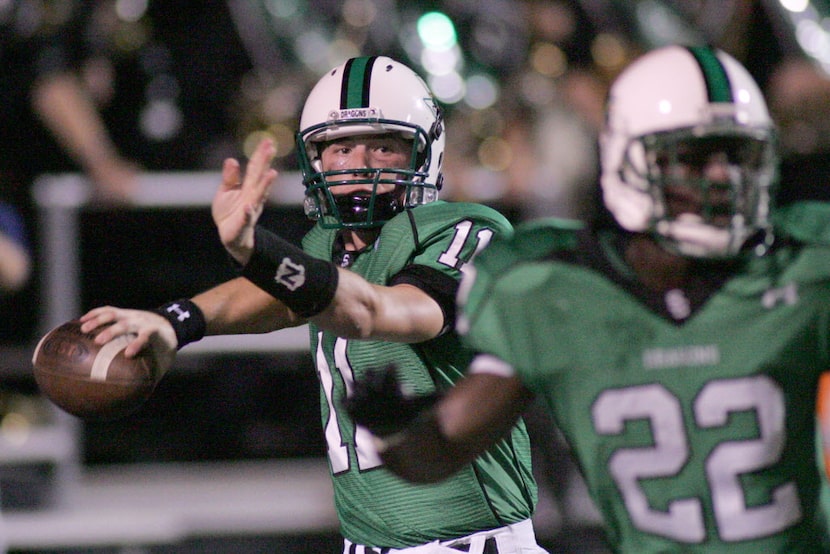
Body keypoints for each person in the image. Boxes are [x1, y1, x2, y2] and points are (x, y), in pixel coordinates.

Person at [345, 45, 830, 552]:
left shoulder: (807, 265)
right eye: (692, 157)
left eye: (737, 154)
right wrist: (394, 430)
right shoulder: (556, 290)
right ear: (628, 157)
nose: (722, 177)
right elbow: (443, 447)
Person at [79, 56, 547, 553]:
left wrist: (256, 250)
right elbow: (277, 295)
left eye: (383, 146)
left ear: (422, 154)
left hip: (471, 542)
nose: (359, 165)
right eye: (340, 147)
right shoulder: (327, 246)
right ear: (314, 159)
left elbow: (379, 311)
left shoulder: (466, 230)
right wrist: (179, 321)